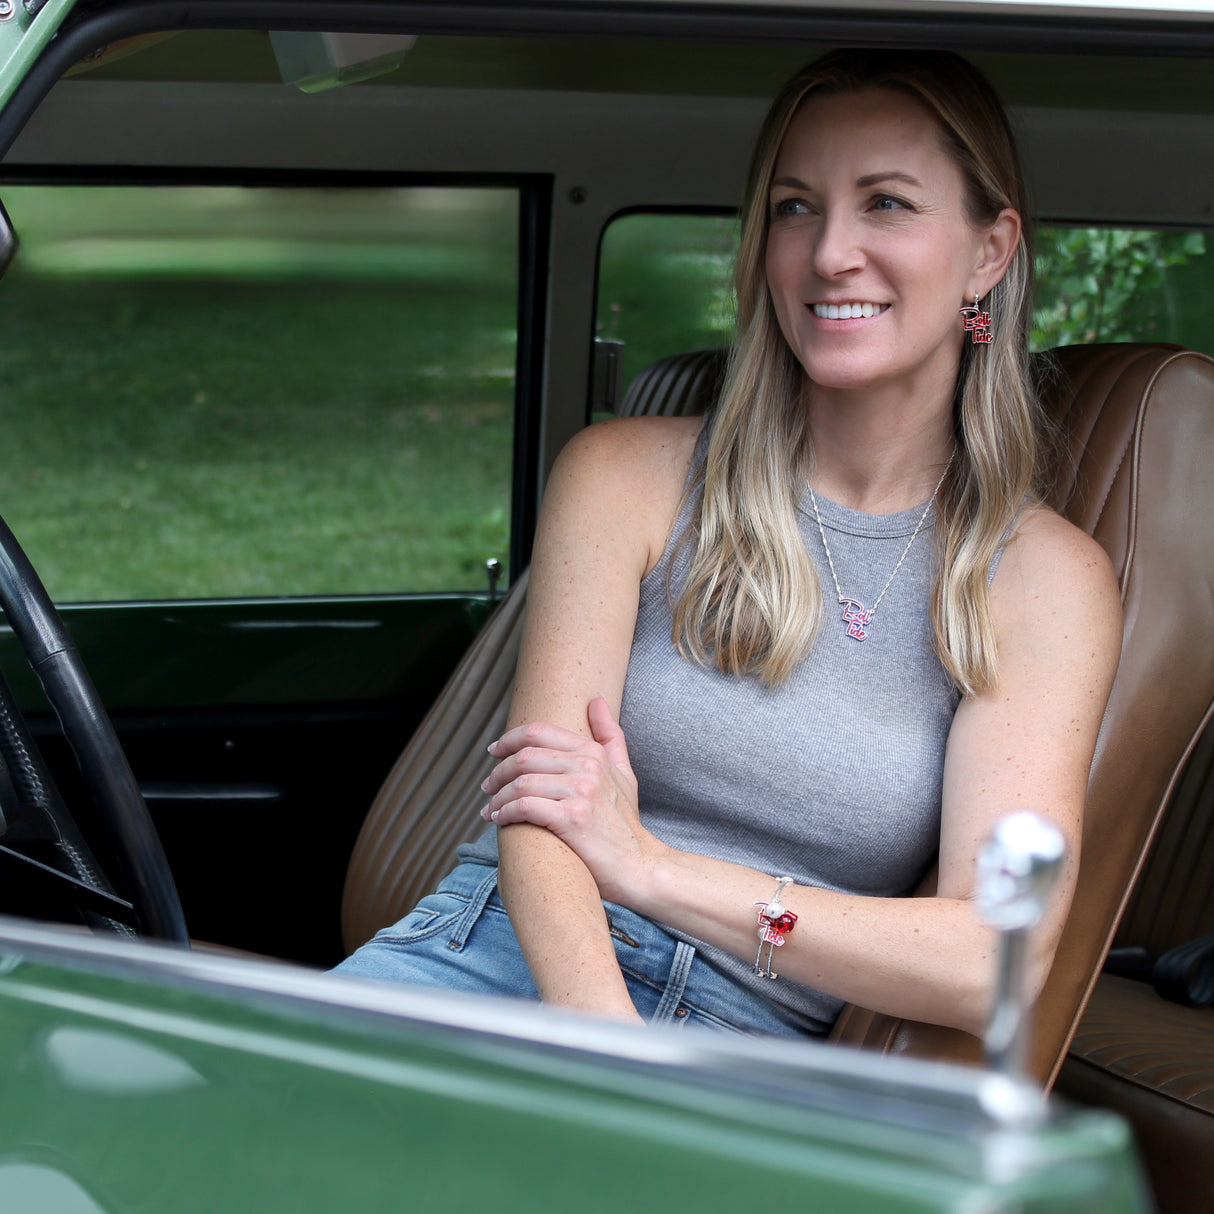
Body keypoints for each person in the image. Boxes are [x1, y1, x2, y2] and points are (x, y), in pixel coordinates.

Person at [335, 49, 1121, 1038]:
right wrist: (616, 1060)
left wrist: (653, 866)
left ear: (988, 251)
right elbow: (542, 814)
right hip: (491, 958)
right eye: (794, 207)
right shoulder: (622, 475)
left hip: (746, 1042)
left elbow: (992, 958)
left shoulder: (1045, 580)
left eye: (885, 203)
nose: (830, 250)